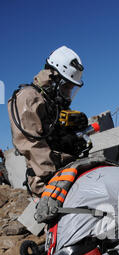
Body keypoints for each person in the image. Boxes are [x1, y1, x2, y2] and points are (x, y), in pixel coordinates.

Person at [8, 46, 87, 196]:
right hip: (47, 179)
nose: (69, 93)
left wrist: (75, 133)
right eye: (67, 87)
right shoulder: (28, 97)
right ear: (54, 79)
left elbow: (55, 134)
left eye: (71, 88)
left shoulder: (52, 102)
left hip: (67, 168)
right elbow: (31, 144)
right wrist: (51, 180)